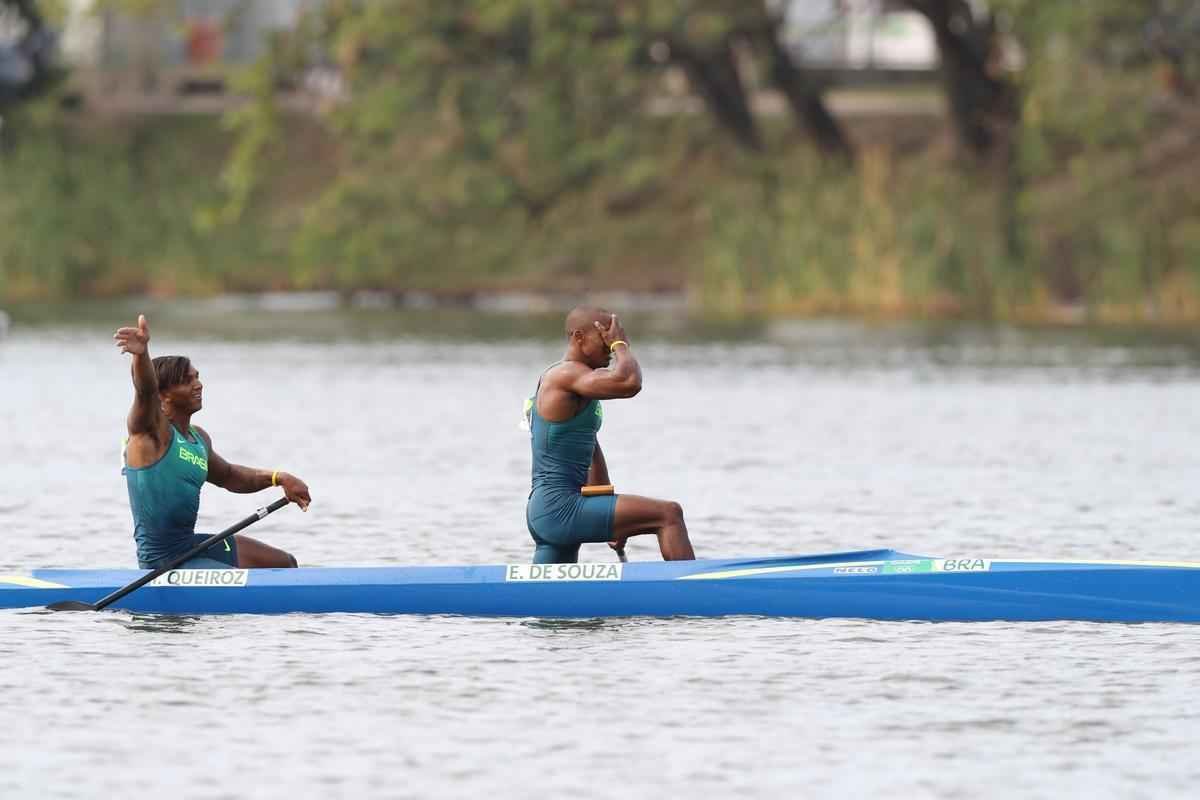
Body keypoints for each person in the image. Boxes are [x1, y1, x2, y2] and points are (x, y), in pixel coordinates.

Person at [115, 314, 310, 569]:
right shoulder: (150, 434)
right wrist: (141, 356)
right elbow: (145, 390)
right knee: (246, 582)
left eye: (197, 377)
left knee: (284, 563)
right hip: (161, 560)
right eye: (188, 381)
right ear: (164, 396)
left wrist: (278, 478)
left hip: (188, 546)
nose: (199, 385)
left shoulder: (199, 438)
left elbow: (230, 476)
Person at [524, 306, 695, 564]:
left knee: (545, 599)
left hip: (550, 512)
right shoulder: (565, 375)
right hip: (559, 509)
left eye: (611, 338)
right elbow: (629, 382)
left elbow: (591, 451)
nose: (609, 347)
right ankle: (692, 596)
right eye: (602, 338)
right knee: (669, 514)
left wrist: (608, 513)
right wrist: (620, 344)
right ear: (578, 337)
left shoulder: (580, 384)